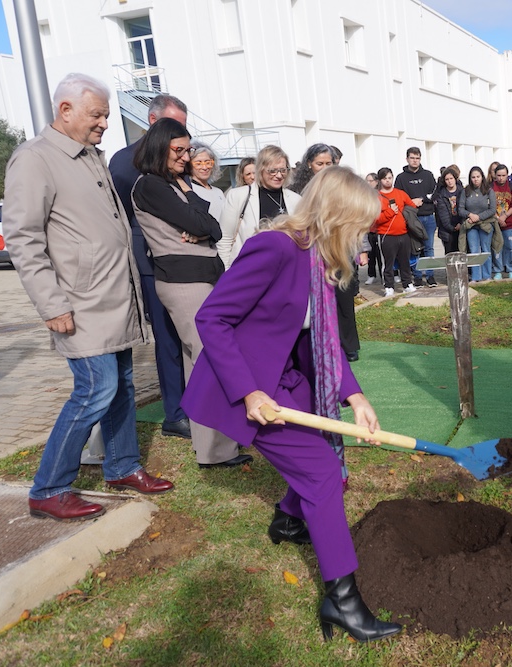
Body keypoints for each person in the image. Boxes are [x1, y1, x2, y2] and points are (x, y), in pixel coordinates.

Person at [181, 166, 402, 643]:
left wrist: (355, 396)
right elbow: (213, 317)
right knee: (323, 472)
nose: (363, 236)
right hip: (250, 382)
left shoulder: (320, 256)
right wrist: (249, 392)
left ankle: (288, 518)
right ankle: (342, 601)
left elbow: (324, 340)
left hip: (289, 373)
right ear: (335, 215)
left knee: (322, 450)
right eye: (359, 224)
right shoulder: (277, 248)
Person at [5, 73, 175, 521]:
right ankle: (49, 488)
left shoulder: (89, 156)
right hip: (78, 302)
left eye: (104, 114)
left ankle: (122, 465)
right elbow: (22, 238)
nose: (105, 123)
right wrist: (52, 303)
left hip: (112, 296)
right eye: (96, 114)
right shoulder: (35, 159)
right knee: (94, 391)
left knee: (121, 387)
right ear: (65, 111)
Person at [131, 119, 250, 469]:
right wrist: (198, 223)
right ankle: (215, 451)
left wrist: (199, 222)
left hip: (200, 278)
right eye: (179, 150)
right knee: (209, 360)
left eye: (187, 150)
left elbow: (212, 225)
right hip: (184, 283)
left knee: (199, 360)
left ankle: (212, 449)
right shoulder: (151, 186)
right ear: (159, 147)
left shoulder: (173, 183)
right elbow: (203, 224)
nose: (186, 157)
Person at [109, 93, 190, 440]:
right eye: (175, 126)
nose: (182, 139)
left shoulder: (182, 157)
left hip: (190, 260)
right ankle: (176, 412)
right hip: (151, 263)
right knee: (169, 339)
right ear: (155, 121)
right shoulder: (124, 162)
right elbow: (120, 218)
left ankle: (201, 402)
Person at [289, 143, 369, 362]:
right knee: (318, 298)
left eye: (328, 163)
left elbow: (357, 217)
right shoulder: (299, 190)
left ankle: (349, 345)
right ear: (309, 165)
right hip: (313, 248)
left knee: (344, 297)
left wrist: (362, 248)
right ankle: (321, 345)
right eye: (319, 164)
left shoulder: (343, 186)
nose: (324, 167)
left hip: (341, 247)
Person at [218, 145, 302, 268]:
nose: (279, 175)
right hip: (249, 269)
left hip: (286, 269)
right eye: (272, 170)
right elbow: (225, 238)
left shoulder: (296, 200)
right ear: (260, 169)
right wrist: (227, 272)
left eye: (283, 170)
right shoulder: (238, 196)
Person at [394, 147, 437, 287]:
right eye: (412, 158)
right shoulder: (401, 178)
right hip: (412, 219)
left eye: (417, 158)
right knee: (415, 249)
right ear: (407, 159)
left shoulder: (428, 175)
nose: (415, 160)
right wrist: (412, 203)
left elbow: (434, 194)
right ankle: (417, 277)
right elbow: (398, 198)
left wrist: (422, 199)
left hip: (428, 216)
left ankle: (430, 276)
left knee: (429, 248)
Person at [375, 167, 417, 296]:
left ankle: (407, 283)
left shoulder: (400, 193)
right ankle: (388, 286)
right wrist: (390, 212)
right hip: (386, 235)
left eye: (389, 178)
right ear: (380, 180)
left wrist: (406, 216)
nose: (388, 181)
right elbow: (375, 219)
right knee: (388, 263)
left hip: (403, 233)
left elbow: (412, 207)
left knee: (405, 261)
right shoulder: (376, 197)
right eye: (384, 178)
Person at [459, 166, 497, 282]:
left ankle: (486, 276)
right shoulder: (465, 191)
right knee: (474, 250)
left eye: (478, 177)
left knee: (486, 249)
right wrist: (470, 215)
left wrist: (478, 217)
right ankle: (476, 277)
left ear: (482, 177)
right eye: (473, 177)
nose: (476, 179)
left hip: (485, 224)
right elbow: (460, 209)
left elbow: (492, 210)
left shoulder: (489, 191)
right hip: (471, 225)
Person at [491, 164, 512, 279]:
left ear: (507, 175)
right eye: (498, 175)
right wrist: (498, 218)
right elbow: (488, 204)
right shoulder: (490, 188)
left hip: (510, 223)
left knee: (511, 247)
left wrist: (504, 217)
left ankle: (511, 269)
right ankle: (497, 270)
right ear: (495, 175)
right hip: (495, 223)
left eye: (503, 175)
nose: (501, 178)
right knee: (497, 248)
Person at [189, 142, 225, 220]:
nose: (204, 167)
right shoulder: (189, 190)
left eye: (208, 162)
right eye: (198, 163)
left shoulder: (219, 192)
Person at [434, 167, 465, 255]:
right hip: (447, 231)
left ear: (455, 179)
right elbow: (443, 215)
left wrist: (461, 223)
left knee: (462, 254)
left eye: (451, 178)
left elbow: (465, 209)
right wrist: (453, 227)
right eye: (447, 179)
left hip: (462, 227)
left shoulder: (462, 192)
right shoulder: (441, 195)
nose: (449, 181)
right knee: (451, 256)